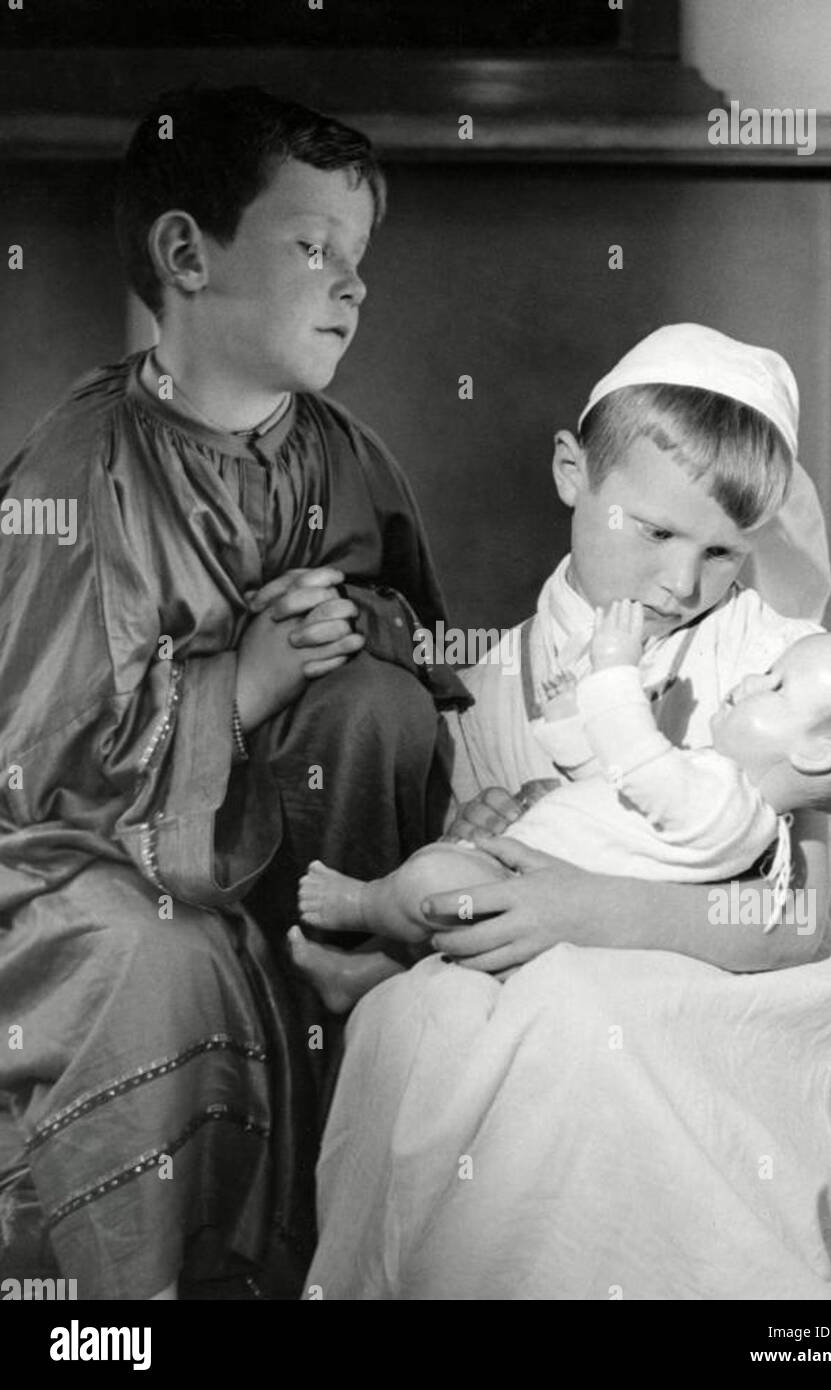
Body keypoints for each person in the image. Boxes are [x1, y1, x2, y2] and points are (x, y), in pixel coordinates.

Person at [304, 324, 831, 1300]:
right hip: (540, 934)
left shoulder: (767, 662)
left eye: (721, 552)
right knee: (411, 1020)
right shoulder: (499, 674)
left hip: (730, 962)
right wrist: (478, 838)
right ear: (568, 473)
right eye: (654, 532)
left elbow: (808, 920)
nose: (680, 583)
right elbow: (494, 866)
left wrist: (590, 910)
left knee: (575, 1020)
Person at [0, 86, 466, 1300]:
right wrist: (242, 681)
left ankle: (350, 1042)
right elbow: (46, 763)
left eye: (359, 260)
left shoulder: (347, 455)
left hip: (297, 843)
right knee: (167, 954)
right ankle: (152, 1300)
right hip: (80, 856)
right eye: (314, 248)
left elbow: (425, 635)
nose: (352, 287)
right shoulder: (82, 469)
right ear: (183, 254)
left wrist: (357, 628)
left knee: (381, 708)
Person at [291, 620, 831, 1011]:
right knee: (445, 924)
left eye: (777, 686)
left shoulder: (728, 806)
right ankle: (358, 975)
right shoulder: (716, 780)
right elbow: (614, 784)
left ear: (816, 754)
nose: (750, 681)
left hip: (529, 894)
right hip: (522, 864)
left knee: (432, 887)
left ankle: (361, 904)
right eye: (767, 671)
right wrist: (571, 733)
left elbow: (639, 764)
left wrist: (612, 675)